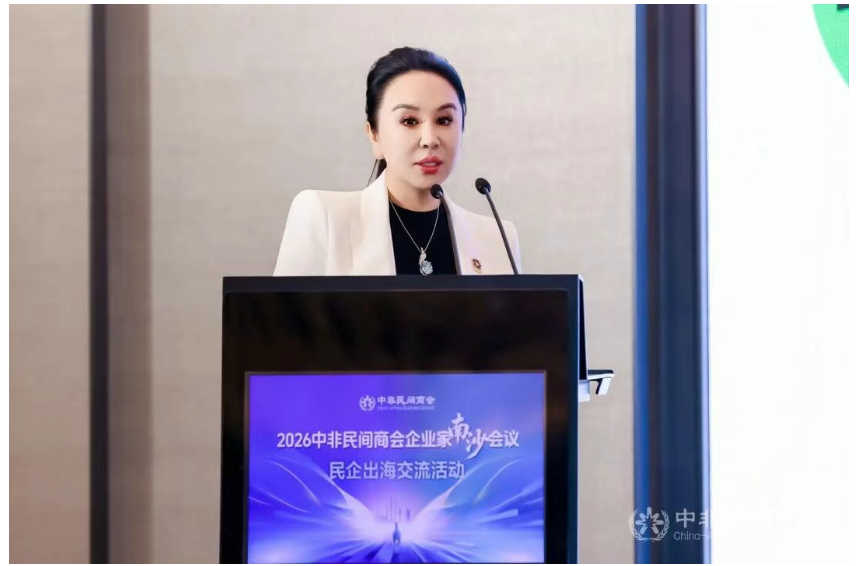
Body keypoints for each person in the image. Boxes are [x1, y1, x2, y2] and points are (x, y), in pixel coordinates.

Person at [273, 47, 521, 276]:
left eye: (444, 120)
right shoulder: (323, 217)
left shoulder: (497, 238)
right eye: (409, 121)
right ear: (374, 135)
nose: (429, 139)